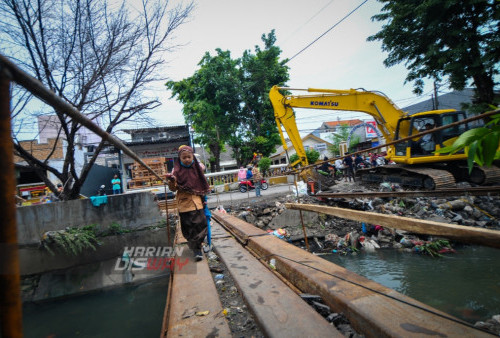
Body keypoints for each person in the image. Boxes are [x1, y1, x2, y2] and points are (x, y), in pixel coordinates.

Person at [166, 145, 211, 262]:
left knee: (201, 224)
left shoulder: (197, 169)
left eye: (189, 157)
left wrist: (204, 198)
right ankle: (196, 249)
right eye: (184, 157)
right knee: (189, 228)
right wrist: (171, 181)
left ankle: (197, 246)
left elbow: (202, 184)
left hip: (198, 202)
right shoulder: (175, 171)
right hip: (184, 204)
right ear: (179, 159)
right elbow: (173, 188)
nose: (186, 159)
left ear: (192, 157)